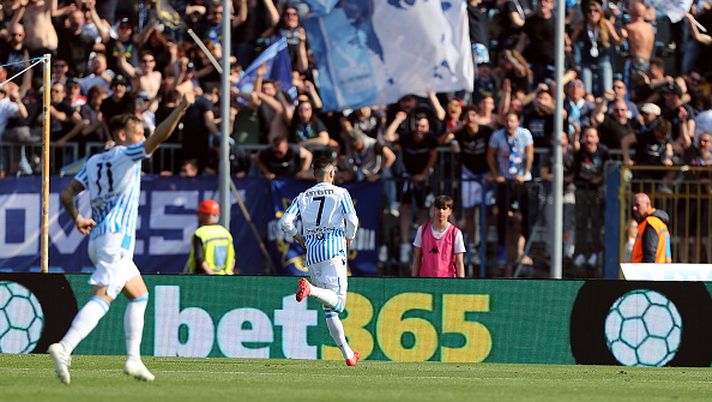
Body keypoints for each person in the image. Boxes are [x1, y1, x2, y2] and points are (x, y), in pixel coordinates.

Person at [48, 95, 190, 385]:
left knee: (140, 294)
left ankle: (134, 359)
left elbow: (66, 195)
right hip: (116, 239)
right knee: (103, 297)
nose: (143, 137)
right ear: (122, 135)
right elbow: (159, 138)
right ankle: (65, 347)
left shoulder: (94, 161)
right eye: (138, 132)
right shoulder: (126, 155)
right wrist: (181, 107)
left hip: (98, 238)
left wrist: (77, 219)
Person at [278, 158, 361, 367]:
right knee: (339, 304)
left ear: (314, 175)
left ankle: (348, 354)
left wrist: (298, 236)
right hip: (334, 251)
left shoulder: (303, 196)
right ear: (332, 174)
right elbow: (352, 220)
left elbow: (284, 222)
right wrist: (349, 236)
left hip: (312, 253)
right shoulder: (341, 193)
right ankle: (310, 289)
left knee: (329, 309)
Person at [411, 195, 466, 278]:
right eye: (438, 208)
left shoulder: (455, 233)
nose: (441, 211)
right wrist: (413, 280)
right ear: (434, 209)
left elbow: (459, 262)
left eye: (444, 208)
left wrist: (461, 285)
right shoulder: (422, 230)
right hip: (425, 281)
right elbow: (417, 258)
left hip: (448, 283)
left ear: (450, 211)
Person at [185, 199, 235, 275]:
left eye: (200, 213)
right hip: (224, 278)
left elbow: (199, 258)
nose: (198, 216)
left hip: (203, 280)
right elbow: (232, 259)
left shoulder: (200, 233)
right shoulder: (225, 233)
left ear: (206, 215)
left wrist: (212, 276)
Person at [630, 192, 672, 263]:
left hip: (648, 271)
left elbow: (650, 253)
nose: (634, 208)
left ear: (647, 205)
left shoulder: (650, 223)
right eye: (633, 205)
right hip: (662, 270)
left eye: (638, 205)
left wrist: (645, 272)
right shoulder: (659, 223)